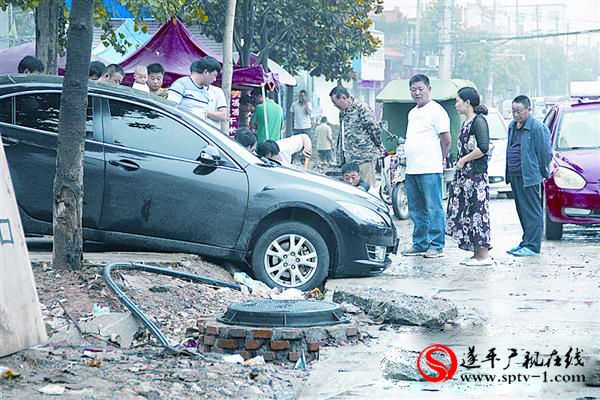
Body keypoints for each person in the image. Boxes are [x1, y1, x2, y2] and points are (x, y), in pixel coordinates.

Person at [401, 74, 451, 259]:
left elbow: (446, 139)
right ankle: (420, 243)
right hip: (411, 169)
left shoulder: (437, 111)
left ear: (429, 89)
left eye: (420, 89)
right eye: (413, 90)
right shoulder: (412, 113)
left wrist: (442, 159)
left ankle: (437, 245)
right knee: (416, 210)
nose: (417, 93)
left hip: (430, 169)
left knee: (434, 208)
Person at [446, 87, 492, 266]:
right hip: (465, 176)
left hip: (476, 175)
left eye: (458, 101)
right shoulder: (466, 122)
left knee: (478, 213)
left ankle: (483, 255)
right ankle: (475, 252)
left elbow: (483, 148)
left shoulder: (479, 121)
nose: (456, 104)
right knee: (468, 212)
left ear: (467, 102)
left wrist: (463, 160)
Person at [505, 95, 552, 257]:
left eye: (519, 111)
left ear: (529, 110)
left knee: (532, 211)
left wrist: (540, 172)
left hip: (530, 176)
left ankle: (533, 246)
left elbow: (546, 154)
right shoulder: (512, 126)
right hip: (516, 175)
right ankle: (526, 241)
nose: (516, 115)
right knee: (522, 210)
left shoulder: (537, 128)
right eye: (513, 111)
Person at [329, 85, 382, 188]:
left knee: (367, 188)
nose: (335, 106)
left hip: (364, 157)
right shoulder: (343, 112)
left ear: (344, 97)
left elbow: (374, 130)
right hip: (349, 158)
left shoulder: (362, 108)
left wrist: (378, 146)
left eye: (335, 103)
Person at [168, 56, 227, 130]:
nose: (214, 79)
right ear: (206, 72)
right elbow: (170, 108)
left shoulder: (205, 91)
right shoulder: (181, 84)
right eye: (214, 75)